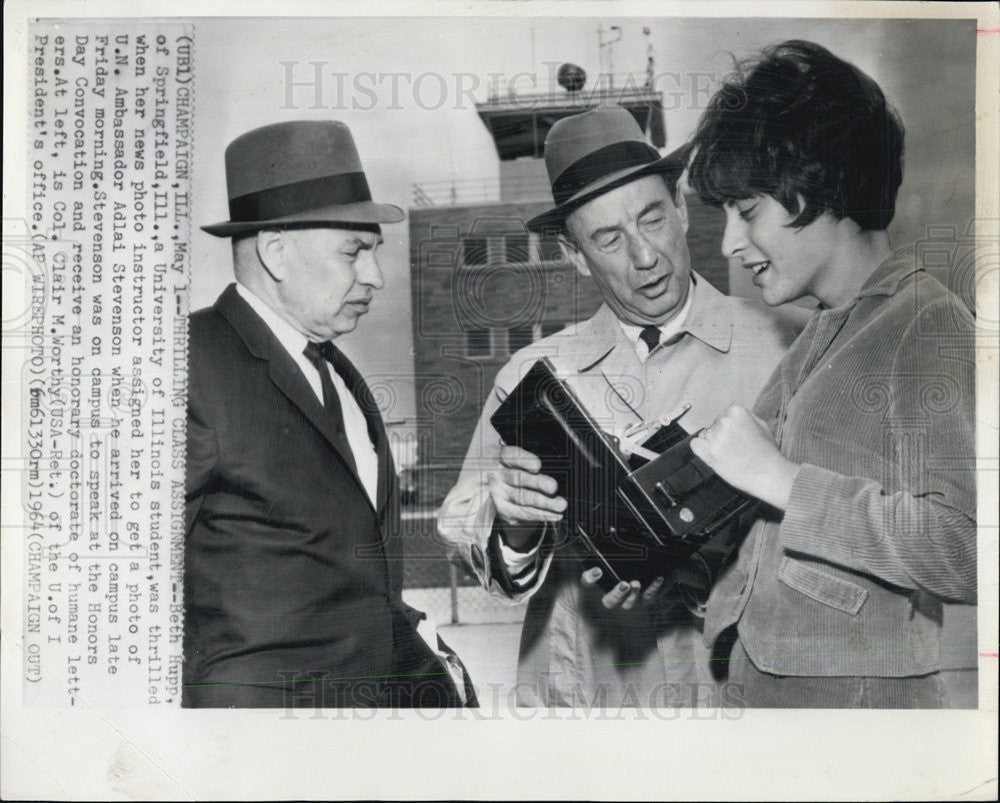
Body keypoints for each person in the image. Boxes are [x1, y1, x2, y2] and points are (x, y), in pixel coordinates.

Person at [438, 105, 808, 707]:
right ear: (574, 255)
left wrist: (703, 565)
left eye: (653, 219)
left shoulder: (789, 348)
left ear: (683, 210)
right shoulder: (529, 381)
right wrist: (515, 524)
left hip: (730, 700)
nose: (644, 256)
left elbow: (843, 525)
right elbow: (476, 551)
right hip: (580, 708)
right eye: (609, 238)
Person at [685, 40, 977, 708]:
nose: (730, 243)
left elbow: (967, 547)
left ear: (820, 181)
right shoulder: (821, 328)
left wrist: (781, 479)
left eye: (747, 209)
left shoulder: (929, 323)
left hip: (860, 714)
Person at [184, 120, 474, 708]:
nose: (376, 276)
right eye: (354, 251)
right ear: (276, 251)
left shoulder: (341, 375)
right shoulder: (183, 361)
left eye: (376, 252)